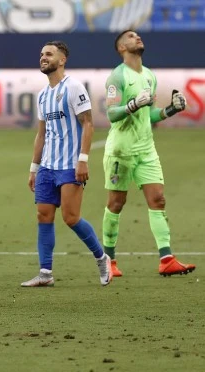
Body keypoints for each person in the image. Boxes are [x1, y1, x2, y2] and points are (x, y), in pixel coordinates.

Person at [102, 30, 196, 277]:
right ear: (121, 47)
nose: (137, 37)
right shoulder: (117, 77)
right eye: (131, 36)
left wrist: (170, 110)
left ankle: (166, 259)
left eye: (138, 35)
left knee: (158, 200)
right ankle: (108, 261)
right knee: (116, 203)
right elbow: (111, 114)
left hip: (146, 149)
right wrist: (133, 104)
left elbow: (150, 115)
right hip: (121, 151)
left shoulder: (149, 76)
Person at [24, 41, 113, 288]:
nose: (43, 57)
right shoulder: (42, 95)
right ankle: (45, 273)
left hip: (70, 164)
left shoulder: (74, 88)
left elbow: (88, 123)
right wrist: (34, 167)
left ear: (62, 60)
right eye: (41, 54)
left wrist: (82, 160)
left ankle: (101, 257)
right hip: (47, 167)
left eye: (49, 54)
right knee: (44, 215)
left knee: (71, 218)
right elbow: (41, 134)